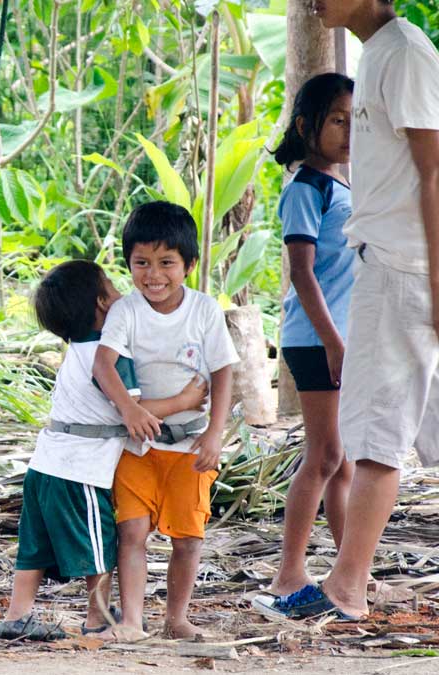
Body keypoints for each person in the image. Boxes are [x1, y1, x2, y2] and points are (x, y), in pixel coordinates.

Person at [259, 0, 439, 621]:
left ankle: (345, 583)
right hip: (377, 281)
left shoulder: (406, 53)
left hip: (405, 272)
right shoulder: (382, 55)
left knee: (373, 442)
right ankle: (340, 577)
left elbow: (432, 170)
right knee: (360, 443)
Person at [0, 260, 207, 640]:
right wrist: (184, 399)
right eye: (111, 287)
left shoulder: (76, 349)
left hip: (44, 464)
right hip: (82, 470)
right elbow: (136, 412)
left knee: (34, 544)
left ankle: (18, 613)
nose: (121, 293)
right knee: (102, 546)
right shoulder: (111, 355)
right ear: (102, 304)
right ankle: (98, 617)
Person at [92, 201, 239, 641]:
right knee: (131, 531)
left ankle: (176, 619)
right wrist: (130, 410)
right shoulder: (127, 311)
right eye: (141, 263)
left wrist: (215, 432)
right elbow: (103, 365)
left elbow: (223, 372)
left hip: (190, 447)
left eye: (166, 263)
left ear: (189, 265)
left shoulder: (204, 310)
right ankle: (134, 621)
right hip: (137, 446)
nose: (153, 275)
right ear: (129, 264)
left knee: (189, 538)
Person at [254, 73, 357, 606]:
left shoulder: (343, 183)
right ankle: (288, 574)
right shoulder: (305, 187)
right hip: (317, 337)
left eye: (353, 120)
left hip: (343, 337)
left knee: (346, 458)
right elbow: (302, 272)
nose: (347, 131)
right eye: (336, 120)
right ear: (305, 125)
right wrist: (334, 341)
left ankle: (349, 571)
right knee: (322, 455)